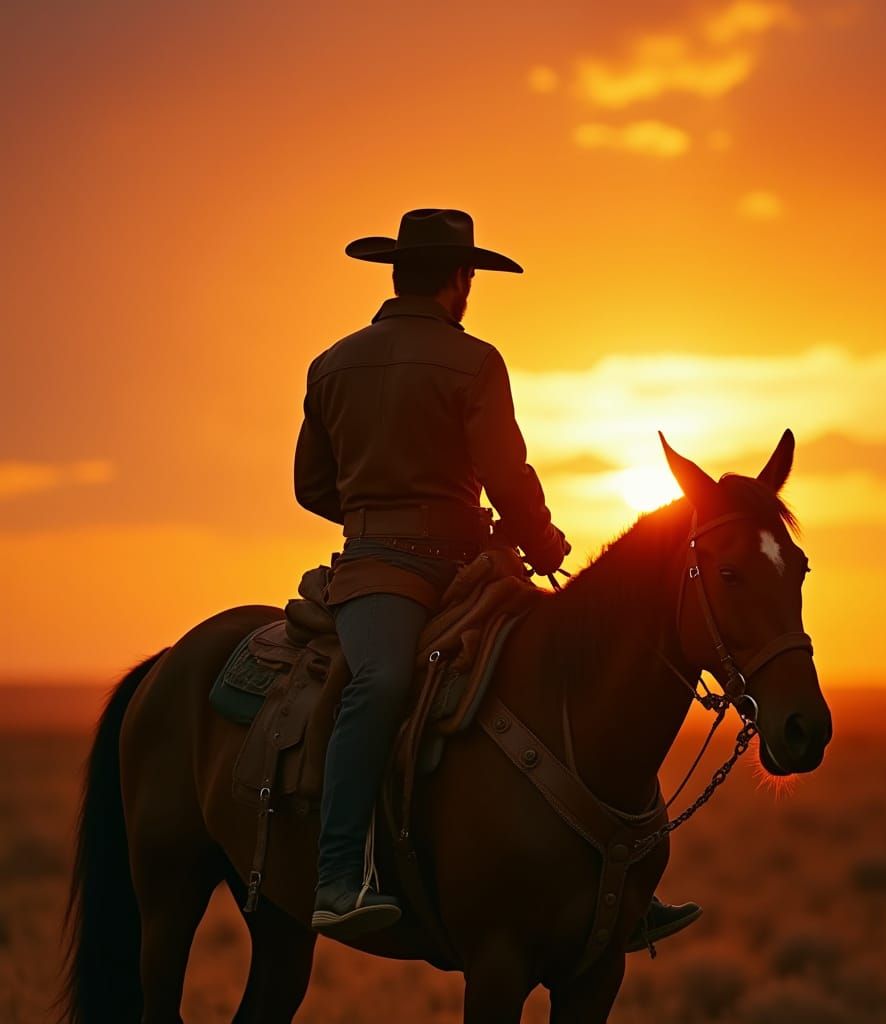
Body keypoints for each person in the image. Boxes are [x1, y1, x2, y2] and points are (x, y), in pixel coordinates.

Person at [294, 208, 701, 949]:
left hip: (394, 565)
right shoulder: (475, 361)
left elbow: (310, 485)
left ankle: (622, 881)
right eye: (469, 277)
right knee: (385, 682)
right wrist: (543, 541)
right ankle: (335, 875)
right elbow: (505, 474)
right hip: (435, 569)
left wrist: (371, 509)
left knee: (553, 675)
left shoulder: (331, 363)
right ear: (459, 280)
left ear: (396, 273)